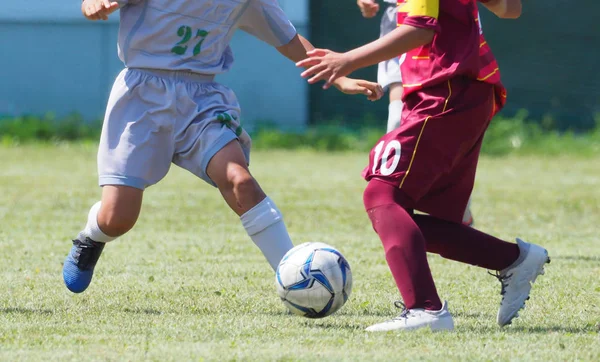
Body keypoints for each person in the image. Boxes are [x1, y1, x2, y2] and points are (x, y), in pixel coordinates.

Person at [63, 0, 383, 294]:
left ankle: (296, 278)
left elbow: (289, 40)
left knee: (239, 180)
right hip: (141, 98)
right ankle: (92, 236)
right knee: (118, 218)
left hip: (201, 100)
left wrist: (339, 77)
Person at [298, 0, 549, 331]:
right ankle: (512, 259)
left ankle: (426, 310)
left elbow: (419, 28)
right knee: (402, 216)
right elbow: (509, 8)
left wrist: (346, 60)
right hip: (458, 91)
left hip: (445, 90)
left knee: (381, 197)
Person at [357, 0, 474, 226]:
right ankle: (400, 217)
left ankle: (455, 205)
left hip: (444, 19)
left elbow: (509, 9)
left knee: (438, 125)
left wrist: (347, 61)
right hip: (399, 20)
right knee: (397, 125)